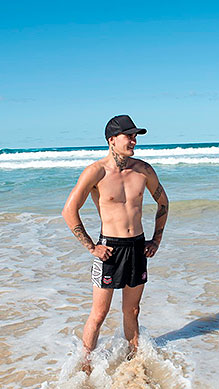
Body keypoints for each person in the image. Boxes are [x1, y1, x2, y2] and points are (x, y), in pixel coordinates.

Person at [62, 115, 169, 369]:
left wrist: (156, 240)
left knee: (132, 311)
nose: (134, 141)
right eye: (128, 136)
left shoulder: (143, 170)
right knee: (99, 314)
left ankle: (134, 362)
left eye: (135, 136)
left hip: (137, 247)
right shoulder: (96, 172)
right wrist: (91, 247)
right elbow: (69, 211)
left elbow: (163, 203)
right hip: (109, 249)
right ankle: (85, 366)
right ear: (112, 139)